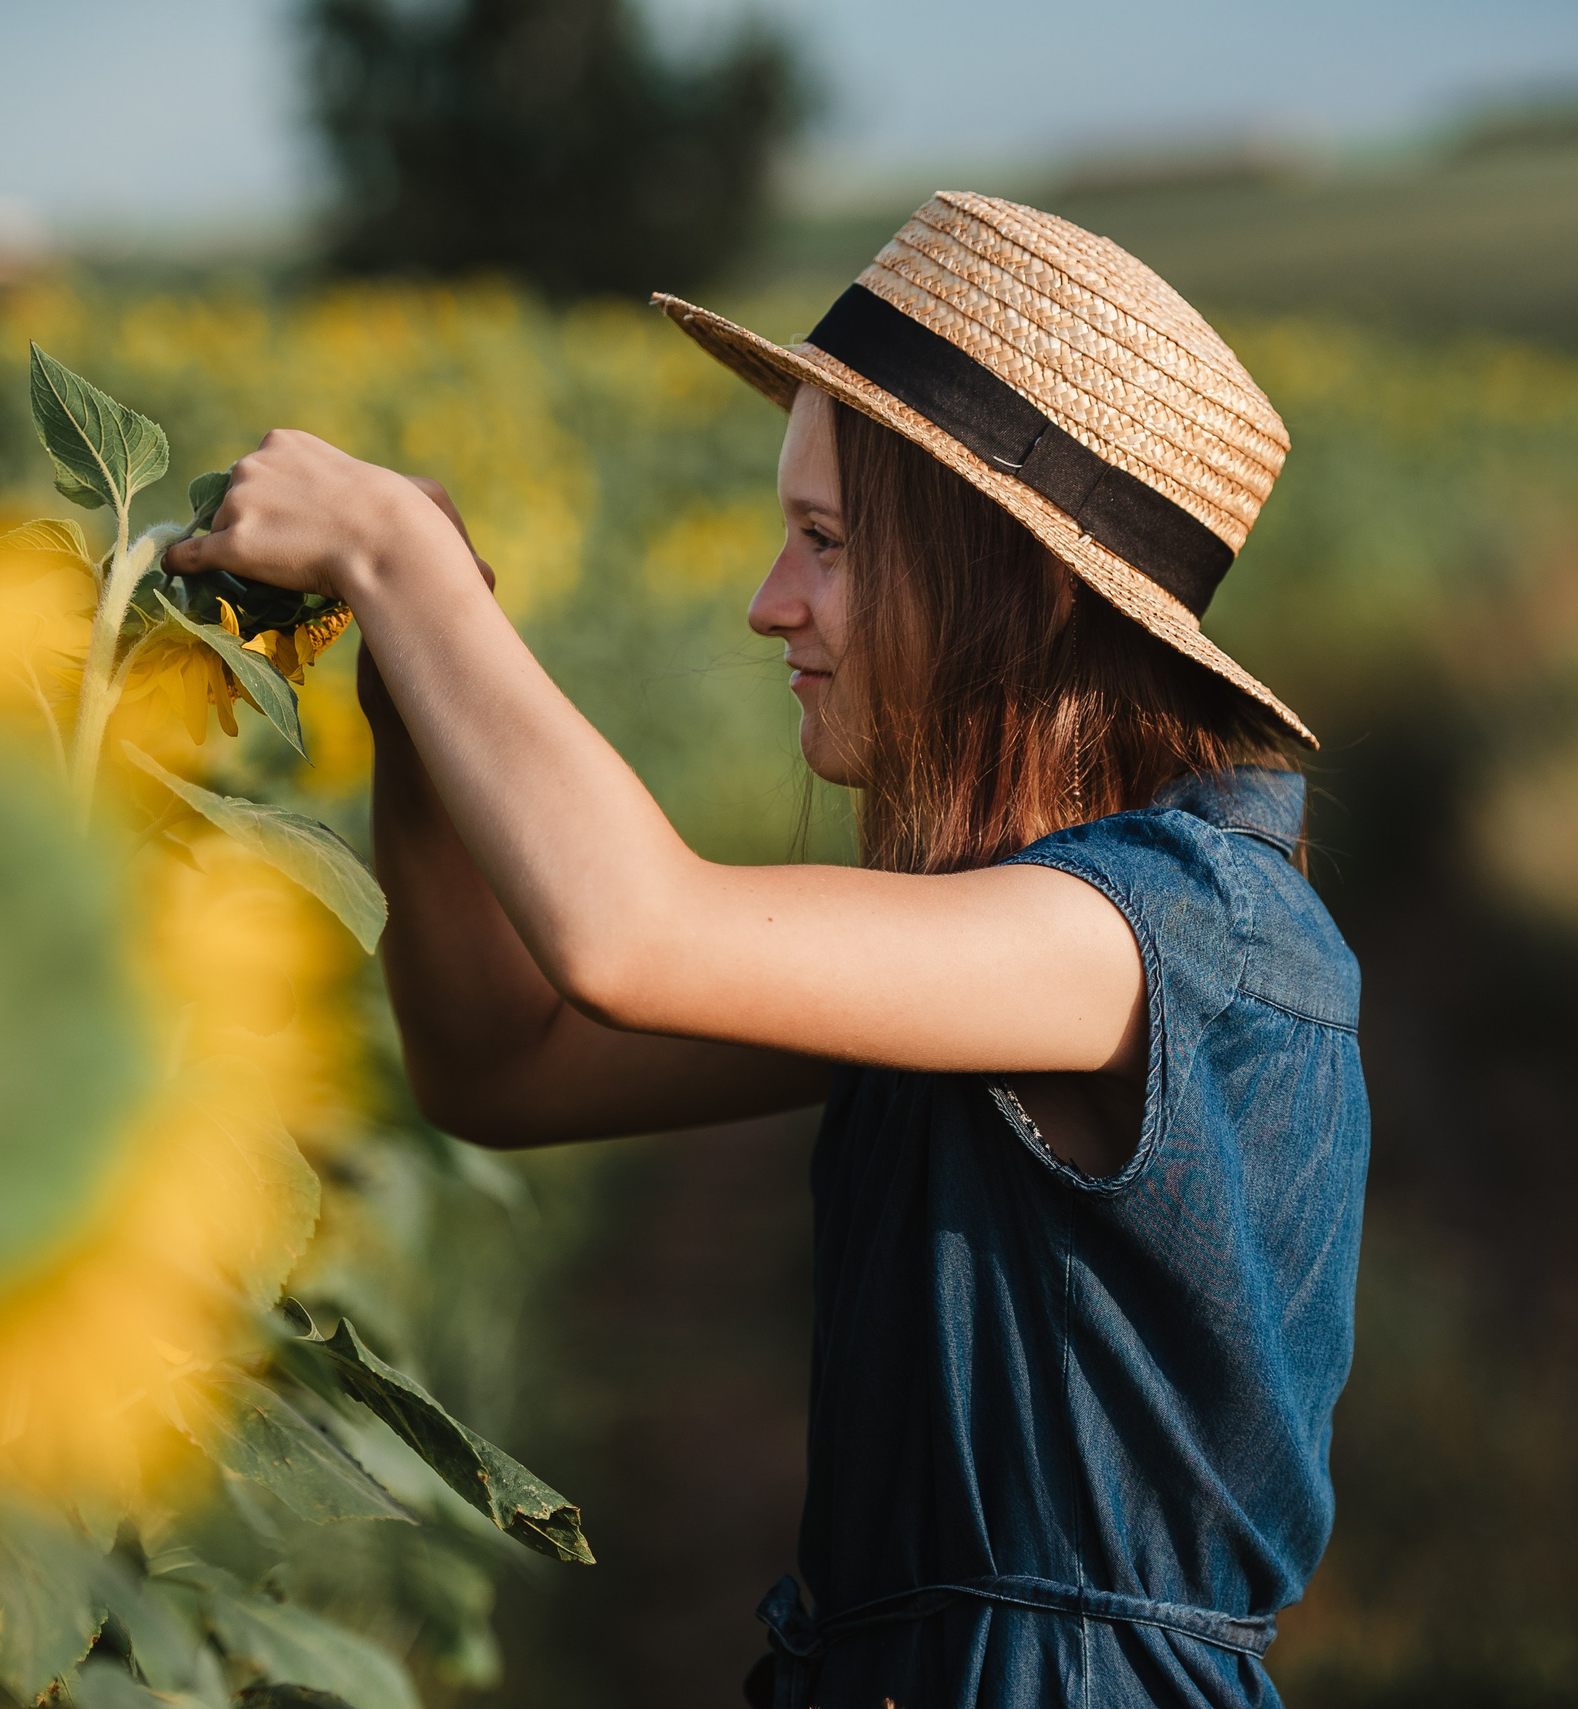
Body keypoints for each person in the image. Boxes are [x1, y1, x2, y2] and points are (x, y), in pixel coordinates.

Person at [168, 192, 1369, 1709]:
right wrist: (419, 690)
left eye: (825, 542)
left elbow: (634, 935)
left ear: (1026, 584)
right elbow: (504, 1063)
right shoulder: (991, 948)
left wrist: (399, 559)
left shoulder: (1155, 937)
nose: (769, 603)